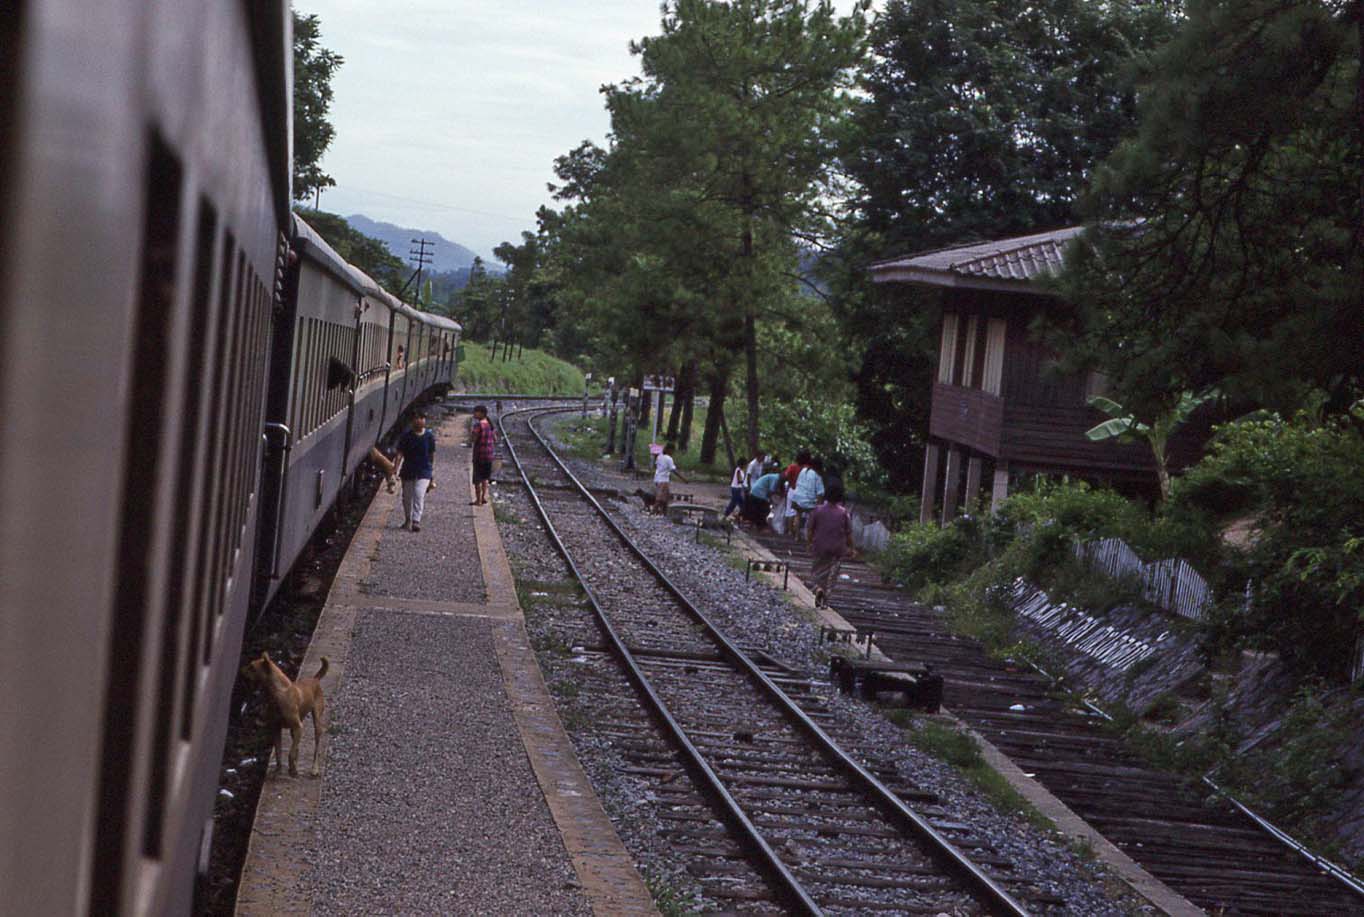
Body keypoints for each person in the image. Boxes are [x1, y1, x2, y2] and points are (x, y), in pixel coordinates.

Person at [808, 479, 854, 607]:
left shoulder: (817, 510)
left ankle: (818, 588)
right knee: (832, 575)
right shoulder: (844, 513)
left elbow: (810, 529)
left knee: (817, 572)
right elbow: (848, 533)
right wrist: (852, 548)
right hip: (837, 549)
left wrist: (809, 543)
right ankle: (825, 599)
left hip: (820, 546)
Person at [392, 411, 436, 532]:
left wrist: (432, 471)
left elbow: (431, 454)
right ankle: (407, 519)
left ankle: (416, 520)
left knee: (419, 494)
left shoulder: (429, 436)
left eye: (422, 418)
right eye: (416, 418)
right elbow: (400, 453)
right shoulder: (406, 436)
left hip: (424, 470)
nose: (419, 421)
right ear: (412, 421)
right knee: (407, 497)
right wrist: (395, 468)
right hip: (408, 470)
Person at [790, 457, 826, 538]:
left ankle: (797, 536)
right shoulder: (817, 476)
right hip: (809, 502)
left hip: (798, 498)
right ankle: (809, 538)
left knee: (798, 515)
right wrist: (819, 507)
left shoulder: (803, 470)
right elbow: (820, 493)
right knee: (812, 518)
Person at [469, 404, 496, 506]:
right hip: (489, 456)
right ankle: (484, 497)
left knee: (477, 479)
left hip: (479, 455)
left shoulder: (478, 425)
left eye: (475, 412)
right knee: (485, 478)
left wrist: (472, 435)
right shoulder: (490, 424)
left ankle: (478, 500)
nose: (474, 414)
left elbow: (473, 439)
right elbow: (495, 439)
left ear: (481, 413)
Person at [653, 442, 687, 514]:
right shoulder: (669, 459)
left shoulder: (659, 456)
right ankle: (653, 512)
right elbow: (674, 470)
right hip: (663, 481)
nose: (673, 452)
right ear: (669, 450)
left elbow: (656, 466)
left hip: (657, 479)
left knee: (665, 498)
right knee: (660, 498)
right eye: (673, 451)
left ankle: (664, 513)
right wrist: (683, 478)